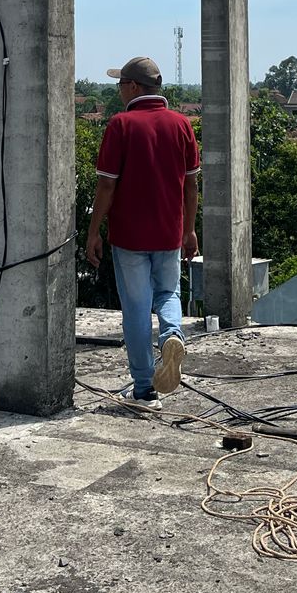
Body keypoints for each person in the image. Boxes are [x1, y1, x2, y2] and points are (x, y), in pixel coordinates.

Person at [85, 56, 200, 411]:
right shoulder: (181, 124)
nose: (119, 90)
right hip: (169, 233)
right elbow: (191, 185)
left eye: (121, 84)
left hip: (130, 237)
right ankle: (172, 336)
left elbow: (106, 186)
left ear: (134, 86)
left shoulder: (121, 125)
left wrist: (93, 232)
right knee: (168, 292)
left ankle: (144, 390)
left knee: (135, 310)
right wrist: (189, 230)